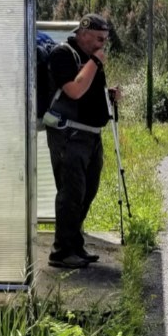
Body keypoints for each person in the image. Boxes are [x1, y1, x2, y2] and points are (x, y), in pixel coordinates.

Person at [43, 13, 121, 269]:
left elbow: (88, 91)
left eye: (105, 40)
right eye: (99, 38)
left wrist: (107, 93)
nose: (102, 45)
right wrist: (96, 63)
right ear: (83, 32)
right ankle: (62, 251)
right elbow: (74, 90)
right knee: (71, 192)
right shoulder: (63, 54)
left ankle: (75, 244)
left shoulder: (90, 60)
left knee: (87, 192)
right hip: (69, 136)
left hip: (91, 136)